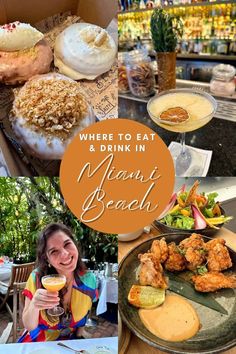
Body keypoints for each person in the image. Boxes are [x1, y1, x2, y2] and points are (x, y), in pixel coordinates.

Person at [18, 223, 98, 342]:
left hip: (71, 341)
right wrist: (34, 305)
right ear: (47, 258)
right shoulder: (37, 278)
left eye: (67, 244)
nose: (65, 254)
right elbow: (30, 326)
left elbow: (85, 314)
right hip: (41, 341)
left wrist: (80, 338)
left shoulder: (89, 279)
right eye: (54, 251)